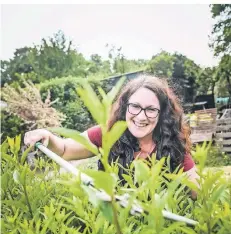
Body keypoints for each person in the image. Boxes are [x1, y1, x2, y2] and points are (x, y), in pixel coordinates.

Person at [24, 75, 199, 198]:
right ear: (124, 107)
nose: (141, 116)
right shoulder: (107, 134)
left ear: (163, 114)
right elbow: (64, 149)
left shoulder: (172, 144)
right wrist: (47, 135)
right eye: (135, 106)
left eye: (151, 109)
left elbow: (197, 192)